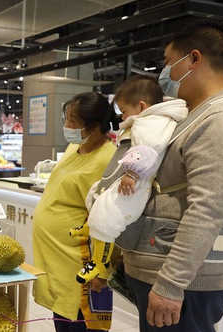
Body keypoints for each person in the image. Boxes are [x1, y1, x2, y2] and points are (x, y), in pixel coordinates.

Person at [117, 21, 223, 332]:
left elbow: (208, 208)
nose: (164, 71)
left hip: (186, 282)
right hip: (166, 271)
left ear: (194, 60)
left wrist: (172, 283)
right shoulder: (197, 116)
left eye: (168, 61)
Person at [75, 75, 188, 284]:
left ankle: (100, 263)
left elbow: (148, 148)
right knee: (98, 199)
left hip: (137, 182)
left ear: (142, 106)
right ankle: (91, 227)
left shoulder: (151, 123)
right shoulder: (149, 121)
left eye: (124, 111)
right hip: (132, 179)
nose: (122, 116)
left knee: (106, 219)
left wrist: (133, 173)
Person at [32, 92, 117, 332]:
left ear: (93, 128)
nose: (67, 127)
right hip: (57, 259)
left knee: (86, 327)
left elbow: (112, 216)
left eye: (72, 122)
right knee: (64, 317)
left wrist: (103, 270)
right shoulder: (73, 148)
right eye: (66, 119)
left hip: (82, 260)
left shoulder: (109, 160)